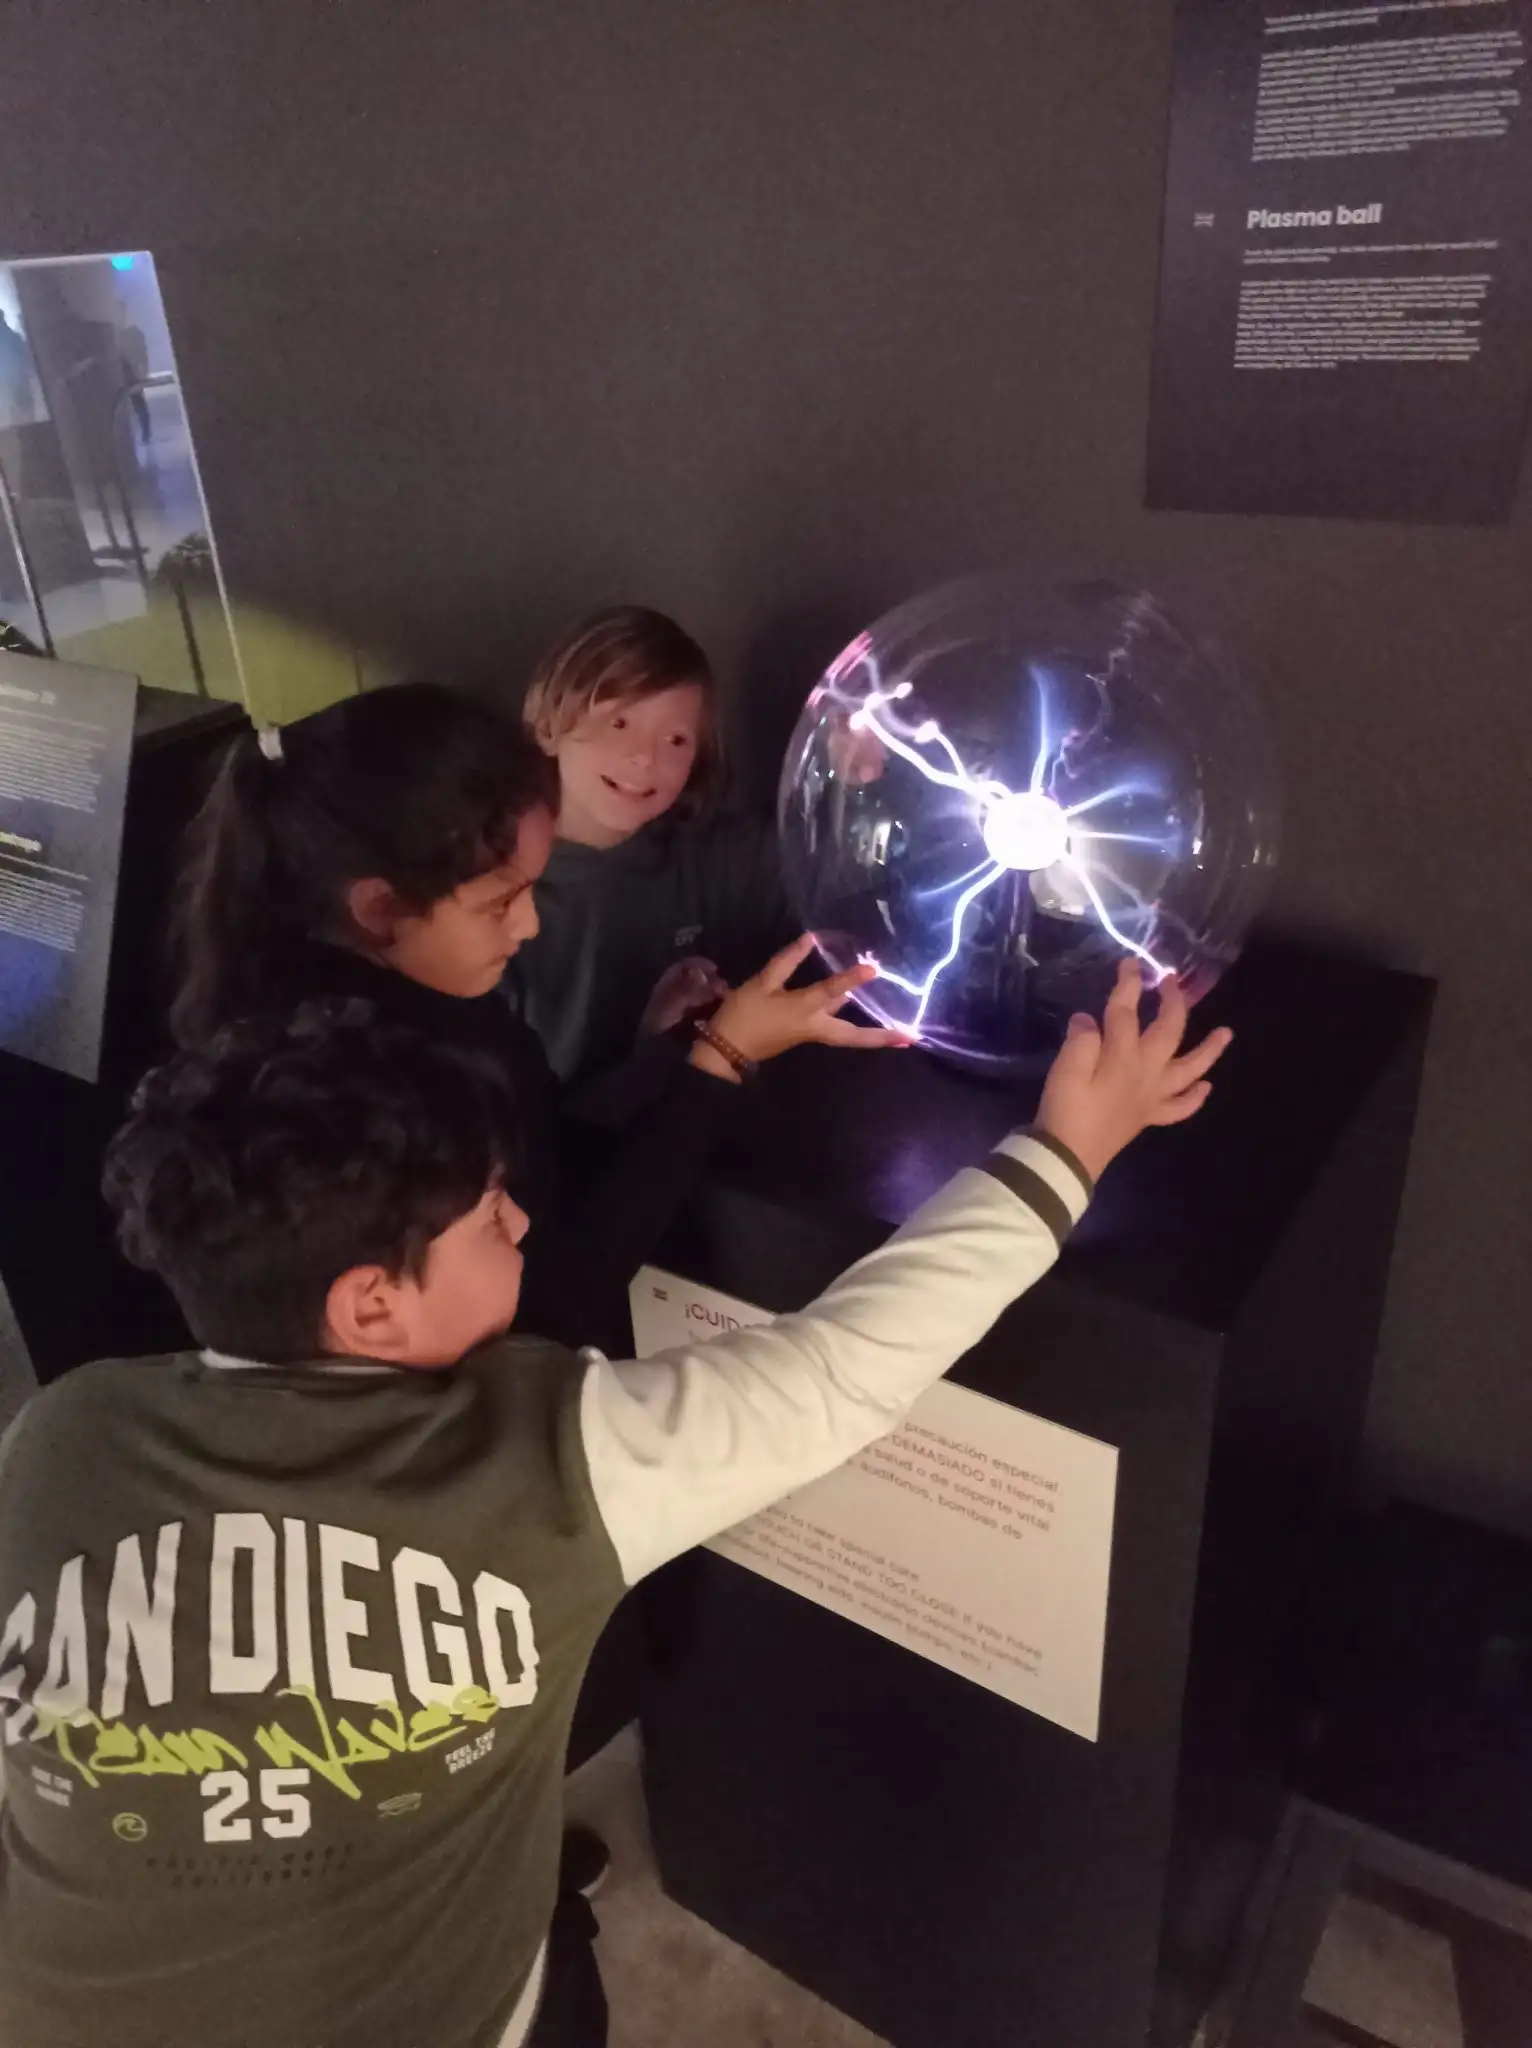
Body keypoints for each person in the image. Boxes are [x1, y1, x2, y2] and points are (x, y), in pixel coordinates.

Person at [0, 964, 1229, 2048]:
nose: (523, 1219)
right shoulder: (548, 1452)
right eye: (491, 1212)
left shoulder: (61, 1430)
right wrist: (1067, 1147)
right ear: (371, 1303)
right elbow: (843, 1370)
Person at [169, 681, 904, 1357]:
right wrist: (720, 1057)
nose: (528, 925)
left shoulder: (307, 1007)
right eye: (500, 902)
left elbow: (546, 1147)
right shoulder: (395, 1084)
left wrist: (652, 1051)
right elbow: (559, 1291)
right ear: (379, 907)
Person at [512, 607, 798, 1089]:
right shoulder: (493, 899)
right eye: (619, 723)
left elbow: (830, 873)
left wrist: (852, 784)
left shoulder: (713, 856)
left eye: (676, 739)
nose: (645, 757)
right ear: (548, 727)